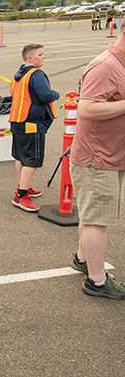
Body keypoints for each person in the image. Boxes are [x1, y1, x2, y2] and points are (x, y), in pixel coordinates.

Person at [70, 19, 125, 299]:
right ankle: (97, 281)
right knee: (96, 220)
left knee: (92, 214)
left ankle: (83, 258)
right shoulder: (105, 66)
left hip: (111, 154)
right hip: (96, 158)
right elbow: (87, 108)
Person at [8, 44, 60, 212]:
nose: (43, 57)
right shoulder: (36, 75)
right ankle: (21, 195)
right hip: (31, 123)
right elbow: (45, 95)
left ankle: (23, 186)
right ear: (30, 58)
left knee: (20, 156)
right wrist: (56, 94)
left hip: (17, 120)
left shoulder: (19, 75)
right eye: (40, 54)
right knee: (32, 158)